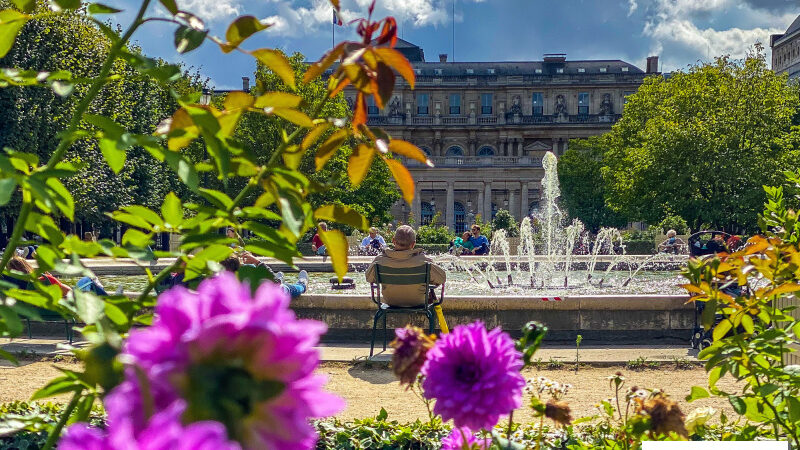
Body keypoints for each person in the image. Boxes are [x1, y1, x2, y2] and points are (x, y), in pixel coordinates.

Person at [365, 225, 446, 307]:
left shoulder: (380, 260)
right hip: (418, 302)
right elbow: (442, 278)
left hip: (391, 301)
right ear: (413, 244)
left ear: (393, 241)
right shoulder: (424, 261)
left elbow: (368, 278)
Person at [221, 252, 309, 299]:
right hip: (273, 287)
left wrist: (257, 263)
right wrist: (257, 262)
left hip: (278, 290)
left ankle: (302, 282)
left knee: (299, 288)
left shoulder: (248, 271)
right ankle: (280, 277)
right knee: (277, 280)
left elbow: (276, 283)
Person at [4, 256, 72, 296]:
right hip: (49, 313)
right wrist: (52, 279)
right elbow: (69, 292)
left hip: (24, 314)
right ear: (27, 266)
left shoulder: (9, 283)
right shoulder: (45, 279)